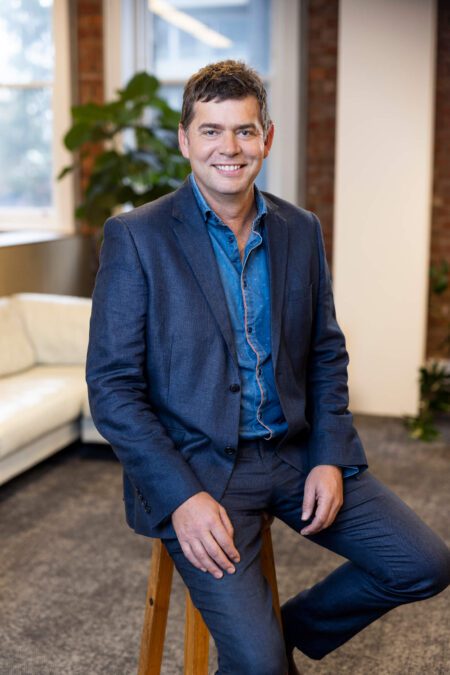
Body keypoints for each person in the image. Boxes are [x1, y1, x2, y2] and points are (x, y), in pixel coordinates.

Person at [86, 60, 450, 674]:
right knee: (258, 668)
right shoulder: (137, 236)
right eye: (211, 130)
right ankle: (260, 649)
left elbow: (326, 352)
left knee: (425, 564)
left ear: (267, 138)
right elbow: (113, 390)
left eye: (245, 131)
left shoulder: (300, 230)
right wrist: (181, 499)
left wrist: (331, 456)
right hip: (200, 472)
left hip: (296, 452)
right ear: (184, 138)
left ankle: (282, 630)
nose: (229, 147)